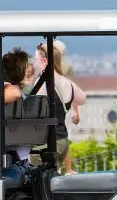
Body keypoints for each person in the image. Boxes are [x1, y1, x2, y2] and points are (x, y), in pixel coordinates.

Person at [31, 41, 86, 169]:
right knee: (52, 174)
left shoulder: (42, 82)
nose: (34, 63)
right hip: (63, 141)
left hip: (46, 144)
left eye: (36, 60)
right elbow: (82, 98)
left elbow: (33, 110)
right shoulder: (67, 82)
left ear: (44, 61)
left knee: (35, 174)